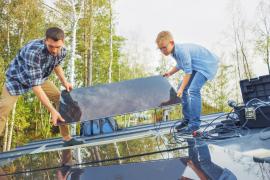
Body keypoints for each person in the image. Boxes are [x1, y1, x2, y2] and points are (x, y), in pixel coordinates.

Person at [0, 27, 83, 147]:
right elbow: (36, 87)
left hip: (40, 77)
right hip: (17, 79)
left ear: (63, 42)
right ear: (45, 41)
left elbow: (56, 64)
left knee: (60, 98)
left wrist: (65, 82)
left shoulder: (63, 51)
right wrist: (52, 111)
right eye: (51, 46)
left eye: (57, 47)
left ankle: (66, 138)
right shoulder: (33, 52)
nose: (54, 50)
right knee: (3, 108)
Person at [156, 31, 218, 133]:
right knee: (182, 88)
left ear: (171, 43)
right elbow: (180, 65)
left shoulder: (181, 51)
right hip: (197, 67)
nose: (163, 51)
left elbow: (188, 72)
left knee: (193, 90)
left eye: (164, 47)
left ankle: (194, 124)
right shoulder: (174, 52)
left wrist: (181, 89)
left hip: (206, 65)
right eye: (160, 49)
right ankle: (187, 119)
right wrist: (169, 73)